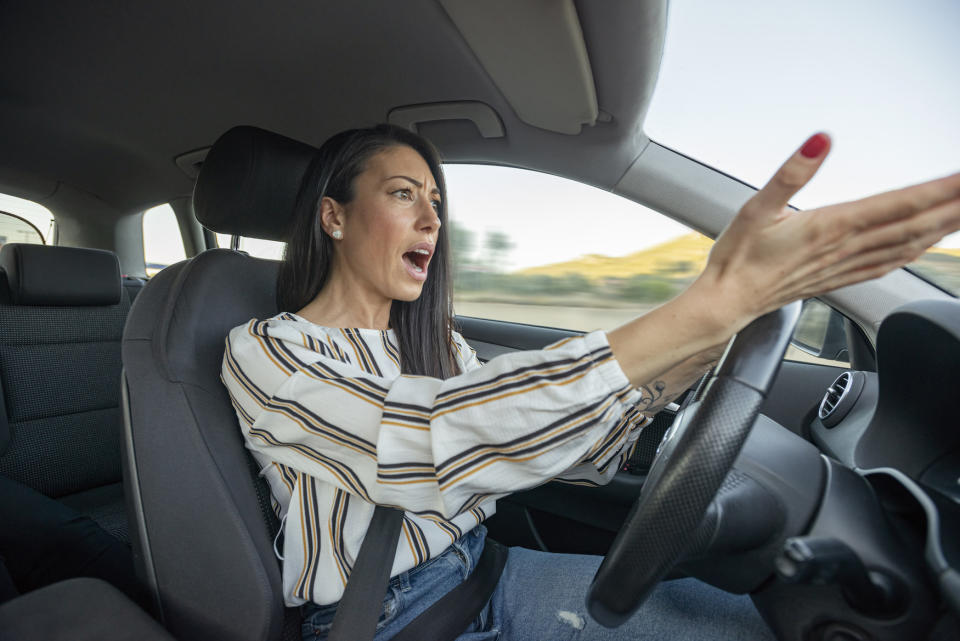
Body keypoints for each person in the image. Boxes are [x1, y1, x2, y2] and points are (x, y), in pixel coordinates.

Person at [222, 124, 960, 640]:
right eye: (403, 194)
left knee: (744, 622)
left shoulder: (433, 340)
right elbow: (428, 437)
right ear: (334, 216)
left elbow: (570, 456)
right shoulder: (267, 350)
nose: (431, 219)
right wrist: (699, 306)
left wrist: (697, 349)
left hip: (486, 573)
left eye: (437, 202)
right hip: (389, 618)